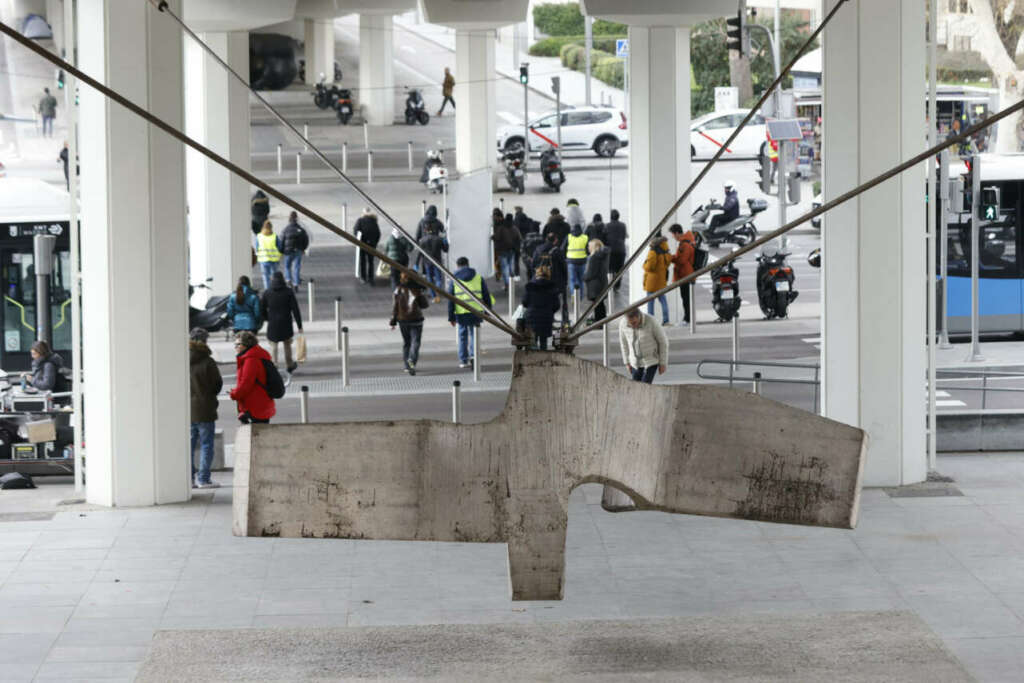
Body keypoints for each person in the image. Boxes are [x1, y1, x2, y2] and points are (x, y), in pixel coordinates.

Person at [189, 328, 222, 489]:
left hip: (187, 410)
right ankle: (203, 479)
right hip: (205, 408)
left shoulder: (182, 359)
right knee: (206, 444)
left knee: (188, 444)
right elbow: (217, 385)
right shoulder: (208, 361)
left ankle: (188, 479)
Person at [448, 256, 493, 369]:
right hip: (476, 311)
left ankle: (463, 360)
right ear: (468, 264)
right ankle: (474, 356)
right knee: (474, 334)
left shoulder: (454, 279)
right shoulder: (478, 277)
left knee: (462, 336)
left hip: (461, 312)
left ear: (457, 266)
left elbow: (451, 299)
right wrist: (488, 311)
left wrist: (451, 317)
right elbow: (486, 295)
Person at [261, 271, 303, 374]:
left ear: (272, 280)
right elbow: (295, 309)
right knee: (287, 344)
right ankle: (289, 364)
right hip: (286, 322)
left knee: (273, 345)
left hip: (273, 323)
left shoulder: (267, 292)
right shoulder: (288, 292)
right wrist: (299, 325)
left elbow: (261, 308)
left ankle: (274, 365)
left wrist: (267, 318)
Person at [229, 331, 276, 423]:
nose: (235, 347)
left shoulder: (251, 359)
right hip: (260, 402)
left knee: (256, 434)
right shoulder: (255, 355)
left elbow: (246, 383)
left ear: (246, 344)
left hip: (254, 406)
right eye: (235, 344)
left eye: (238, 344)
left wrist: (234, 394)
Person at [390, 271, 430, 375]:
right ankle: (411, 361)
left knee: (406, 343)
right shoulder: (417, 289)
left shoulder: (398, 289)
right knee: (415, 342)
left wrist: (393, 320)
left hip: (403, 320)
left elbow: (395, 306)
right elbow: (424, 305)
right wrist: (421, 294)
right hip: (416, 320)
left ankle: (407, 366)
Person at [618, 308, 669, 384]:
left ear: (639, 316)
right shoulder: (623, 323)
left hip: (651, 361)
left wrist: (663, 363)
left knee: (645, 386)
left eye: (634, 323)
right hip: (634, 362)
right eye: (630, 324)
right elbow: (623, 343)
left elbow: (663, 342)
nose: (633, 326)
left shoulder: (651, 321)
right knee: (636, 388)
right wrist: (627, 362)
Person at [521, 265, 560, 350]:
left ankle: (533, 354)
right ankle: (543, 354)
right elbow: (557, 305)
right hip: (546, 318)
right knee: (543, 339)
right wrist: (550, 311)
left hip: (531, 317)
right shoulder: (552, 288)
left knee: (532, 339)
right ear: (548, 275)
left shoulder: (529, 287)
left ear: (537, 274)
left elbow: (524, 303)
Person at [534, 232, 569, 322]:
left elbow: (533, 263)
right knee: (553, 300)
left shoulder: (538, 249)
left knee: (543, 299)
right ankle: (551, 317)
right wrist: (565, 280)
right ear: (555, 240)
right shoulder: (557, 251)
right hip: (554, 280)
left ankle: (545, 318)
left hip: (540, 278)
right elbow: (563, 266)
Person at [669, 224, 697, 325]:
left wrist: (671, 258)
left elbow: (682, 260)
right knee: (686, 298)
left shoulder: (684, 244)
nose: (673, 237)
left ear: (677, 233)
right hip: (687, 273)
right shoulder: (687, 241)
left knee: (686, 298)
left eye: (673, 234)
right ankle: (688, 318)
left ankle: (688, 319)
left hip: (686, 274)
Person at [643, 235, 672, 326]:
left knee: (650, 302)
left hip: (652, 281)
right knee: (663, 300)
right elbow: (667, 264)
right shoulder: (666, 251)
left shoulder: (653, 252)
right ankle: (666, 320)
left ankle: (651, 322)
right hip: (661, 279)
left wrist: (644, 265)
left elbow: (650, 267)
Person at [491, 210, 521, 291]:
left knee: (505, 268)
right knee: (511, 267)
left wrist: (492, 237)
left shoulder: (501, 228)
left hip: (502, 250)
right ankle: (511, 284)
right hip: (512, 250)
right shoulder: (514, 228)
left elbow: (496, 237)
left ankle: (507, 285)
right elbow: (519, 238)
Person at [280, 211, 311, 290]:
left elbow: (282, 240)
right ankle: (296, 283)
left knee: (287, 266)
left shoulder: (285, 229)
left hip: (288, 251)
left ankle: (288, 279)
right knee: (296, 267)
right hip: (298, 250)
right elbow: (306, 240)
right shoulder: (300, 229)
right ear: (297, 219)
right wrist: (303, 249)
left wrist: (282, 251)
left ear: (289, 219)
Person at [583, 239, 610, 323]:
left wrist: (584, 277)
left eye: (589, 246)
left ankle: (599, 322)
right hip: (601, 282)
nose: (588, 247)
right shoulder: (603, 256)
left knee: (597, 304)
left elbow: (591, 272)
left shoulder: (594, 257)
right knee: (600, 303)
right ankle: (601, 321)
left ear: (594, 247)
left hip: (595, 284)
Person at [419, 226, 448, 302]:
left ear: (426, 231)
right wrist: (445, 241)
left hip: (427, 262)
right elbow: (445, 250)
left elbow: (420, 253)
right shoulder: (439, 239)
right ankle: (438, 295)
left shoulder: (422, 240)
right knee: (438, 279)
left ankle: (433, 296)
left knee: (430, 279)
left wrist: (418, 263)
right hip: (437, 261)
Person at [354, 208, 381, 285]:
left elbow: (355, 231)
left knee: (362, 262)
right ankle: (371, 278)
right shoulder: (374, 221)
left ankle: (363, 278)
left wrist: (359, 239)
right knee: (371, 262)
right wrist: (375, 243)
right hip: (372, 245)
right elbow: (378, 233)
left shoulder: (360, 221)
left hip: (362, 244)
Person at [564, 223, 589, 304]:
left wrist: (565, 258)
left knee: (572, 280)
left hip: (571, 261)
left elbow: (562, 248)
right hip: (582, 261)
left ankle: (574, 297)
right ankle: (580, 297)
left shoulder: (569, 237)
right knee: (581, 280)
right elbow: (588, 250)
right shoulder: (585, 237)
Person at [604, 209, 628, 292]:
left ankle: (610, 285)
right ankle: (617, 286)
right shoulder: (623, 225)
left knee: (610, 269)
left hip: (610, 251)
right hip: (621, 250)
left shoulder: (607, 225)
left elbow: (604, 237)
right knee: (619, 269)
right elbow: (624, 236)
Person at [254, 221, 282, 290]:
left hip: (263, 260)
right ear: (271, 227)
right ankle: (274, 289)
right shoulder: (275, 236)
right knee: (274, 276)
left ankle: (267, 290)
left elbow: (257, 247)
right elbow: (280, 247)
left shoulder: (259, 236)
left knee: (265, 276)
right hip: (274, 260)